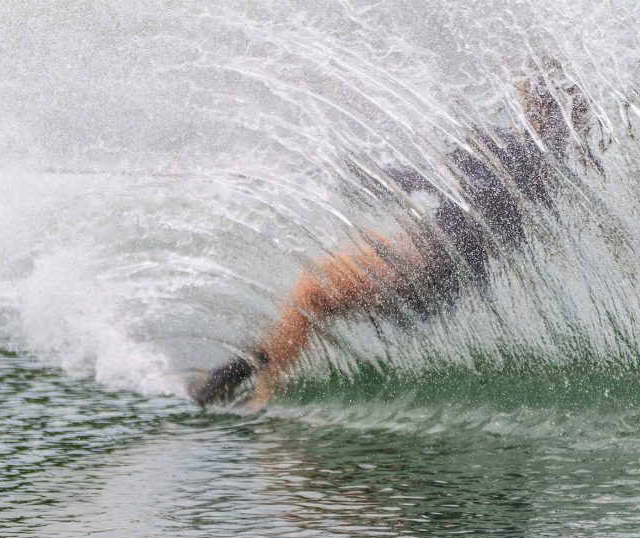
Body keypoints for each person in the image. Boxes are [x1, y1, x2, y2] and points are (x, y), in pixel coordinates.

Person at [189, 69, 597, 407]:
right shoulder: (547, 167)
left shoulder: (512, 154)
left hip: (427, 264)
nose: (516, 98)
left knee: (314, 293)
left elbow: (433, 181)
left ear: (537, 106)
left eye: (524, 93)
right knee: (316, 292)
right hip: (439, 272)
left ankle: (262, 393)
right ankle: (242, 369)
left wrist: (362, 174)